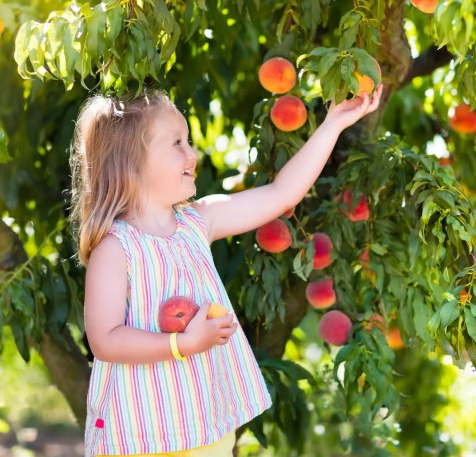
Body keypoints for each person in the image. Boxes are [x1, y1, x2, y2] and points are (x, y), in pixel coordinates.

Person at [70, 81, 383, 457]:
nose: (193, 153)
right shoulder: (115, 248)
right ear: (131, 162)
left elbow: (281, 194)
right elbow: (104, 340)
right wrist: (182, 344)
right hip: (142, 432)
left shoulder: (198, 221)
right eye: (177, 143)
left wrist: (333, 123)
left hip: (206, 422)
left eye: (188, 141)